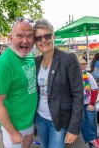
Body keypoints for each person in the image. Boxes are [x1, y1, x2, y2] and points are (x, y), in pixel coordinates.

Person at [34, 18, 84, 148]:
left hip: (60, 121)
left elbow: (78, 95)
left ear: (53, 36)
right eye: (38, 38)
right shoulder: (35, 62)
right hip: (40, 119)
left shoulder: (68, 59)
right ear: (35, 42)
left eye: (46, 35)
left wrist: (74, 128)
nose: (43, 40)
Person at [0, 18, 37, 148]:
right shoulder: (3, 65)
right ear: (11, 38)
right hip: (15, 125)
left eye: (29, 36)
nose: (25, 40)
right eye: (20, 36)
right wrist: (12, 132)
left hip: (29, 121)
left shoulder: (29, 56)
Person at [78, 57, 99, 148]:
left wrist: (91, 104)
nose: (83, 66)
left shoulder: (88, 76)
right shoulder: (72, 75)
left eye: (84, 64)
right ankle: (93, 140)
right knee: (81, 121)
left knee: (91, 123)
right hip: (77, 104)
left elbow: (94, 90)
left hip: (88, 103)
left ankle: (93, 144)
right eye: (81, 64)